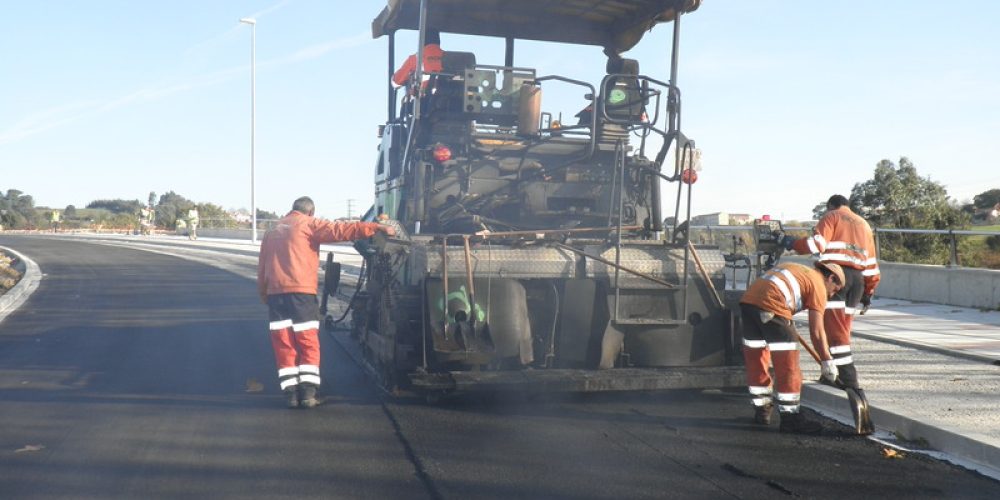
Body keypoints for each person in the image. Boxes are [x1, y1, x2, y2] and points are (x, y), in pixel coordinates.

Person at [257, 196, 394, 409]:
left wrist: (265, 294)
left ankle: (292, 396)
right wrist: (374, 228)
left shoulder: (272, 230)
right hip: (301, 294)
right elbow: (340, 230)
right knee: (307, 340)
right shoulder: (308, 224)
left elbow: (262, 265)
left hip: (276, 296)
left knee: (283, 342)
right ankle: (309, 394)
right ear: (310, 212)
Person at [777, 194, 880, 392]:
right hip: (857, 281)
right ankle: (830, 375)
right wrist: (869, 291)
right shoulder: (863, 224)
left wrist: (791, 243)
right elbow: (872, 264)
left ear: (831, 206)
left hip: (834, 278)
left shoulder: (832, 216)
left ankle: (849, 380)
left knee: (834, 332)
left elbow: (816, 245)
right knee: (843, 330)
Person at [739, 260, 845, 434]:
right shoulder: (818, 284)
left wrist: (786, 319)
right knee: (788, 364)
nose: (832, 295)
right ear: (831, 278)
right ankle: (791, 418)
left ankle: (762, 410)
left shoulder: (800, 270)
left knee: (756, 358)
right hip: (772, 304)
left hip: (749, 303)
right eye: (835, 289)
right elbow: (817, 331)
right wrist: (827, 361)